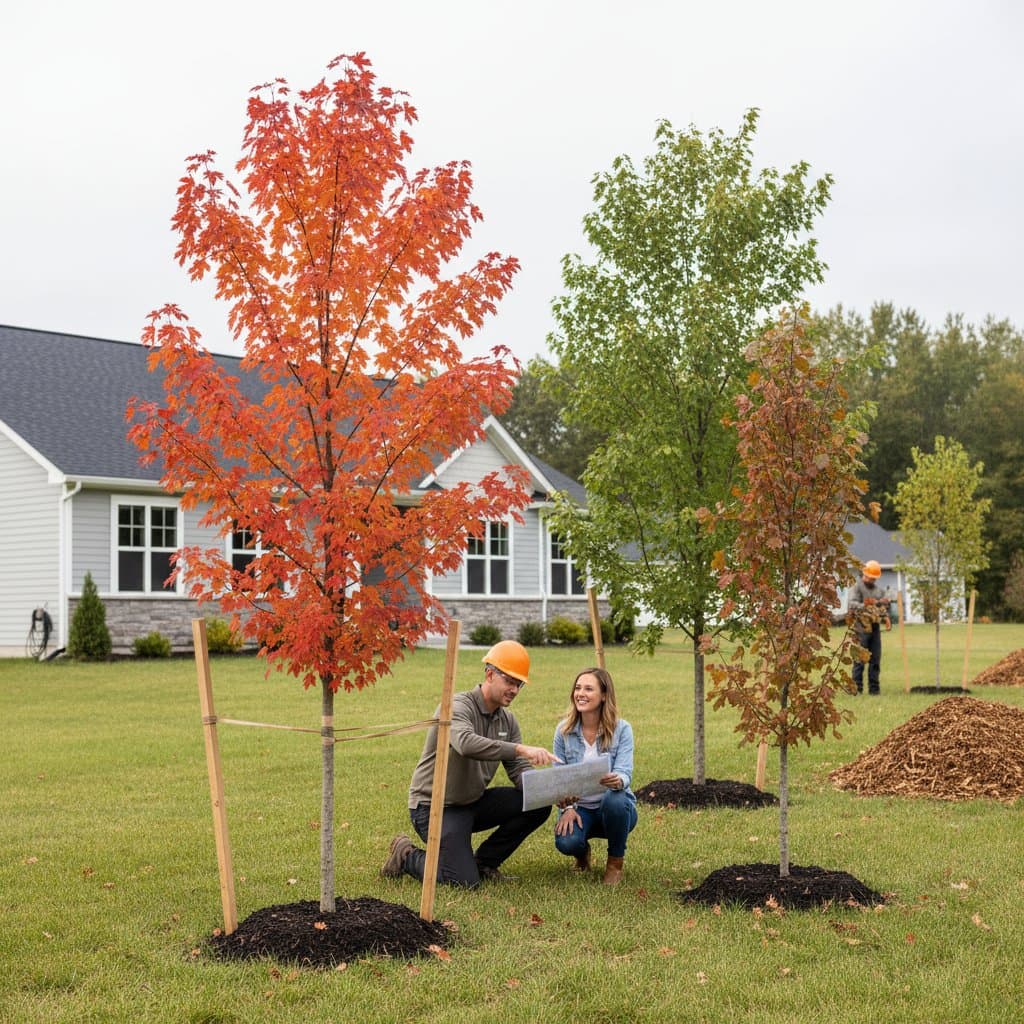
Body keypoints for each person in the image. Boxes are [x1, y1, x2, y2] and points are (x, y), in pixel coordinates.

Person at [380, 639, 558, 888]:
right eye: (509, 681)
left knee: (536, 805)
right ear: (489, 674)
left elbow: (518, 769)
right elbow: (465, 743)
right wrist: (519, 748)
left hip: (471, 803)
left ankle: (484, 862)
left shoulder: (508, 721)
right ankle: (405, 854)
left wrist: (548, 793)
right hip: (434, 807)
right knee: (462, 881)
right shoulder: (456, 706)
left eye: (519, 684)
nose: (515, 690)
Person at [552, 667, 638, 886]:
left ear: (604, 695)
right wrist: (567, 809)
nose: (581, 693)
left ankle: (615, 863)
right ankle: (581, 853)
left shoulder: (622, 729)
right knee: (567, 843)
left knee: (616, 798)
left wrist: (617, 780)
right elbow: (559, 778)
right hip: (581, 809)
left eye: (589, 689)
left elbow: (625, 773)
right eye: (578, 688)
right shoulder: (563, 731)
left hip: (615, 810)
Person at [848, 559, 891, 695]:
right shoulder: (857, 587)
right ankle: (857, 689)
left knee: (875, 659)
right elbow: (851, 604)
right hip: (861, 626)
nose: (870, 579)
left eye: (873, 578)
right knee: (859, 659)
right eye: (868, 576)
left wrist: (885, 612)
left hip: (875, 627)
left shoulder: (879, 591)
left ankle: (874, 690)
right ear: (864, 573)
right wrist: (866, 605)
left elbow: (884, 608)